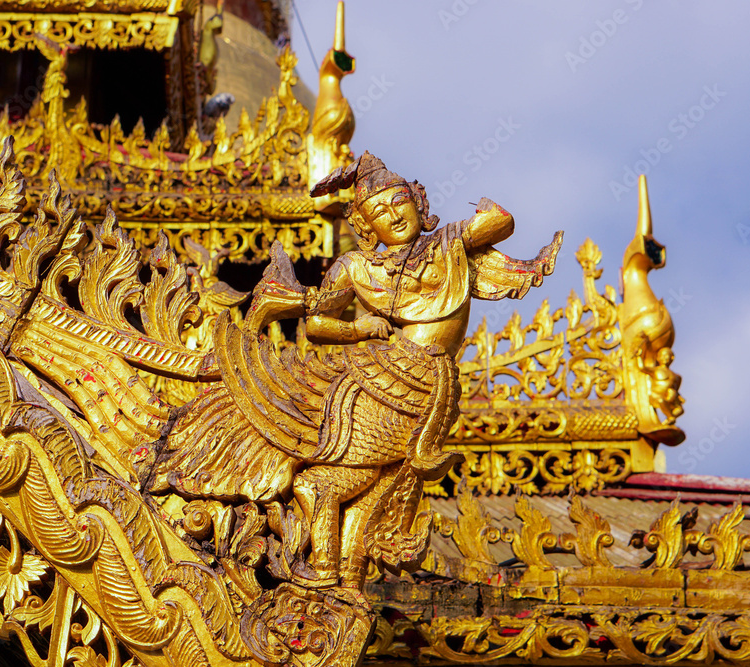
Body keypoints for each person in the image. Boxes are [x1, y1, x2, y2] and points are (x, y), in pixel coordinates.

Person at [149, 152, 562, 589]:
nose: (393, 215)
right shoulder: (357, 267)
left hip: (425, 382)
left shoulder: (447, 245)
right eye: (378, 212)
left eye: (399, 202)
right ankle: (332, 579)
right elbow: (318, 324)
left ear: (418, 204)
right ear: (367, 228)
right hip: (380, 377)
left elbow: (500, 219)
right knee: (341, 485)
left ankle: (340, 582)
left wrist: (430, 217)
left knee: (363, 491)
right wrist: (360, 327)